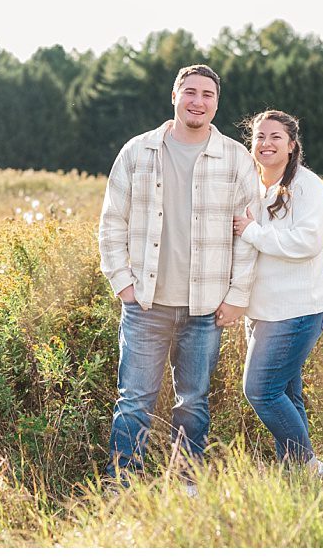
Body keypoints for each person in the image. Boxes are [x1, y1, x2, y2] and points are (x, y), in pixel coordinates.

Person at [98, 64, 260, 491]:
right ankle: (122, 486)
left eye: (207, 94)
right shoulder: (137, 151)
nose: (198, 101)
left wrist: (237, 294)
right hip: (146, 303)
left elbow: (250, 233)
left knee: (193, 402)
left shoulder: (235, 158)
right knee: (134, 402)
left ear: (216, 103)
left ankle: (186, 485)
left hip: (205, 306)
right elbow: (111, 222)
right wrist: (122, 283)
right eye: (190, 92)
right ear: (174, 96)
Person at [231, 109, 323, 476]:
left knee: (260, 390)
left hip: (297, 309)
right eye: (260, 136)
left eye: (276, 137)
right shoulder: (250, 186)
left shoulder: (308, 187)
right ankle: (293, 473)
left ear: (292, 145)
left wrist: (252, 232)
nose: (266, 144)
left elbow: (308, 242)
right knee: (286, 394)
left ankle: (309, 467)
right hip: (260, 311)